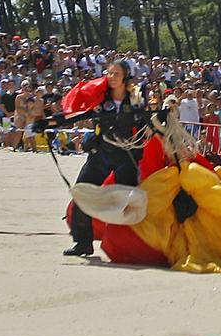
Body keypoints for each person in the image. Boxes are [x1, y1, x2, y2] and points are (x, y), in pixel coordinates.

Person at [45, 60, 154, 258]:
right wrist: (48, 123)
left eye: (116, 74)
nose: (112, 77)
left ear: (125, 77)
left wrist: (164, 116)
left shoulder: (136, 101)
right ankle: (83, 243)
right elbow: (74, 116)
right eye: (109, 73)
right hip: (101, 154)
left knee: (127, 203)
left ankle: (128, 247)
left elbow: (152, 123)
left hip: (126, 156)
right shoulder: (100, 100)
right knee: (82, 194)